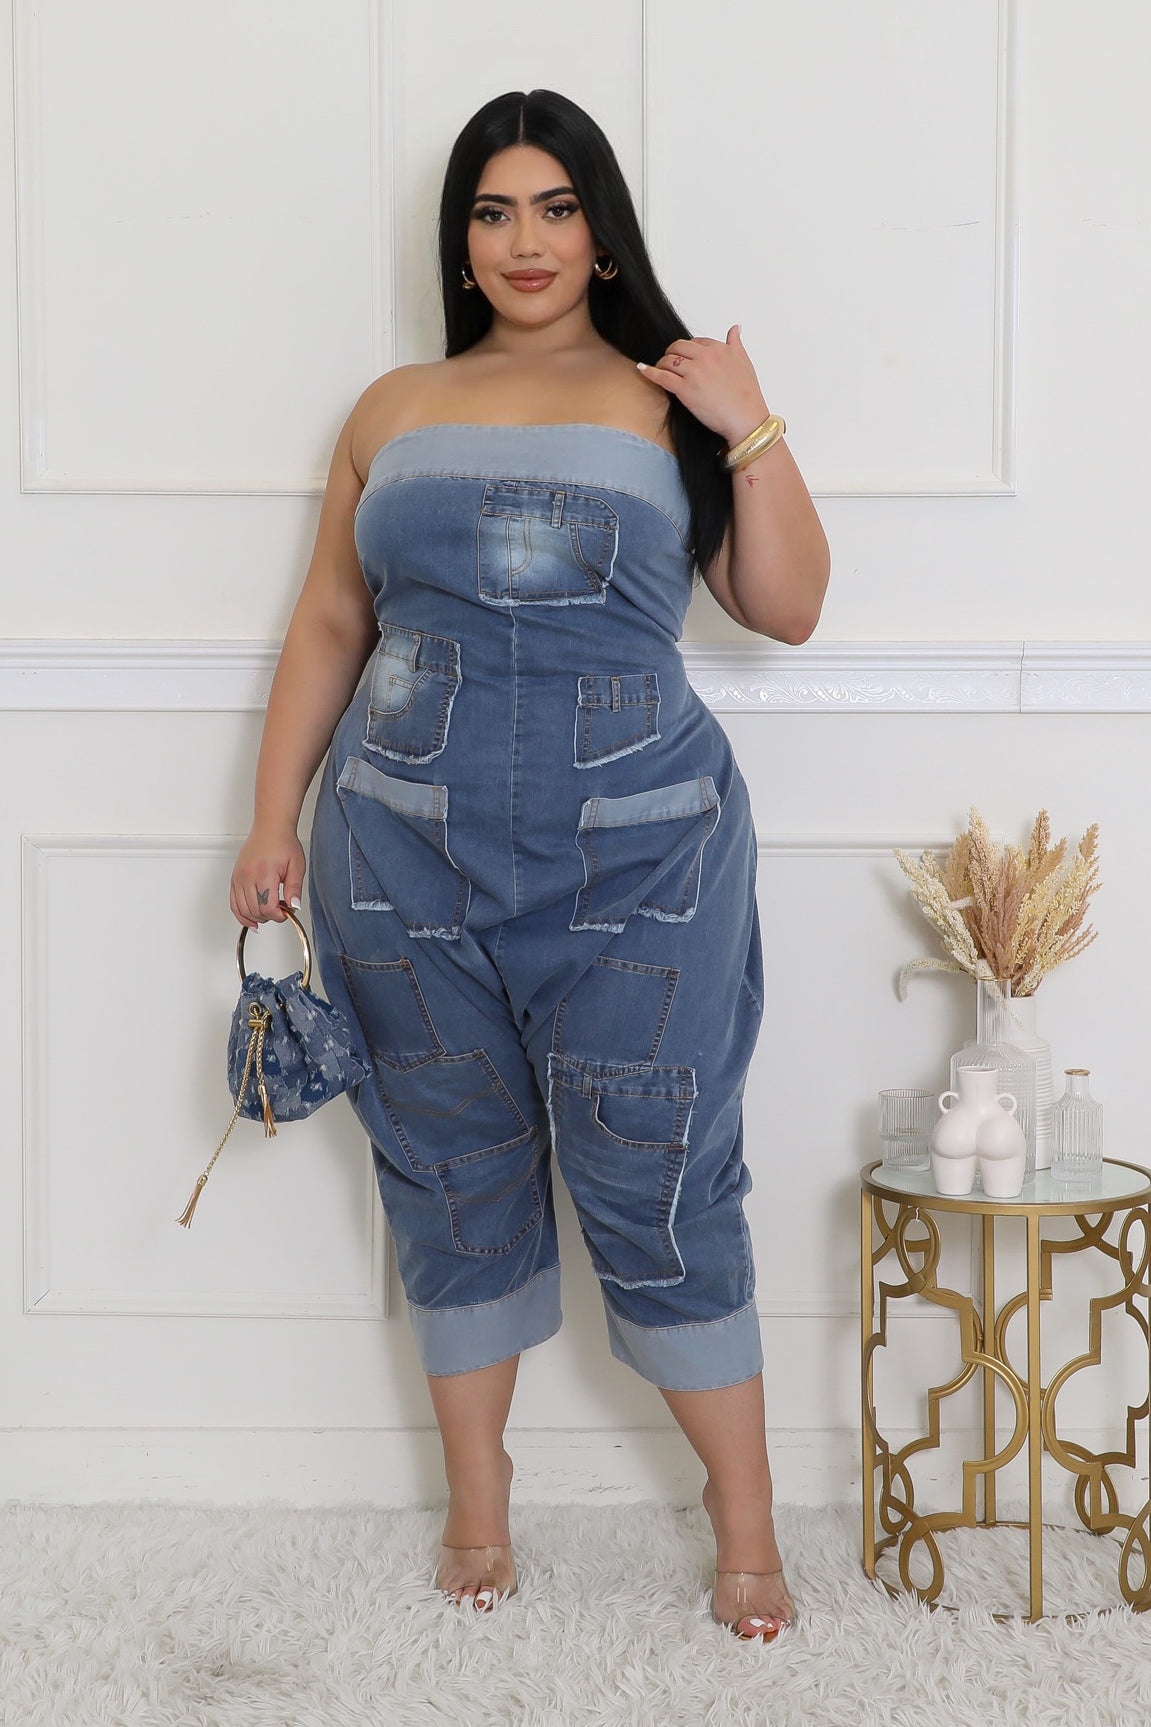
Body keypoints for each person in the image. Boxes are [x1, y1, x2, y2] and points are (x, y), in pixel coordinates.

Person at [230, 88, 830, 1642]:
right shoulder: (392, 407)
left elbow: (787, 606)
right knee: (448, 1172)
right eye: (493, 212)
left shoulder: (667, 397)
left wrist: (750, 419)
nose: (525, 241)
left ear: (601, 230)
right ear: (462, 241)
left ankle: (746, 1531)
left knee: (661, 1174)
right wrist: (271, 818)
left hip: (646, 863)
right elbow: (331, 621)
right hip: (397, 855)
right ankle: (478, 1507)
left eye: (556, 208)